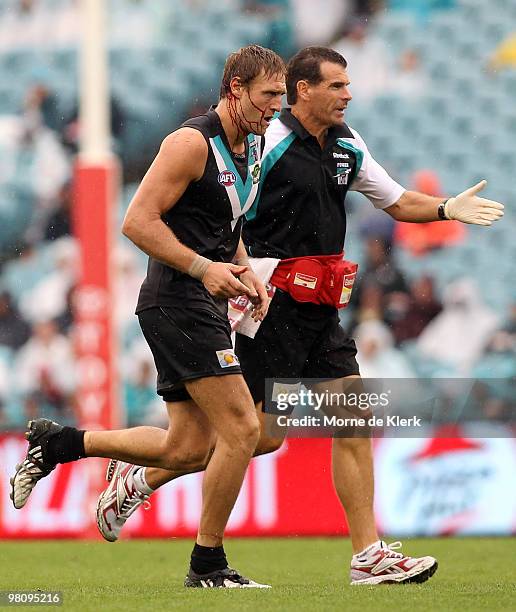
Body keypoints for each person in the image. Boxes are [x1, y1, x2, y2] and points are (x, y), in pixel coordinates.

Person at [92, 46, 505, 586]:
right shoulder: (269, 142)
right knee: (255, 438)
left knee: (353, 415)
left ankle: (369, 555)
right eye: (336, 85)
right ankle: (143, 479)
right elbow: (223, 210)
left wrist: (447, 208)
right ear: (303, 90)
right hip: (270, 305)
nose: (347, 95)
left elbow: (398, 201)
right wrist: (226, 272)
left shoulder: (347, 146)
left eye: (348, 85)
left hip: (321, 308)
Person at [10, 45, 286, 589]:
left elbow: (224, 226)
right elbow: (136, 222)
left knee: (186, 447)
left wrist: (245, 271)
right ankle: (207, 565)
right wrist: (205, 268)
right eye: (268, 95)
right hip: (176, 299)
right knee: (244, 428)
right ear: (235, 88)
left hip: (198, 299)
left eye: (279, 95)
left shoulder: (251, 144)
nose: (275, 107)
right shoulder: (189, 143)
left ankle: (60, 443)